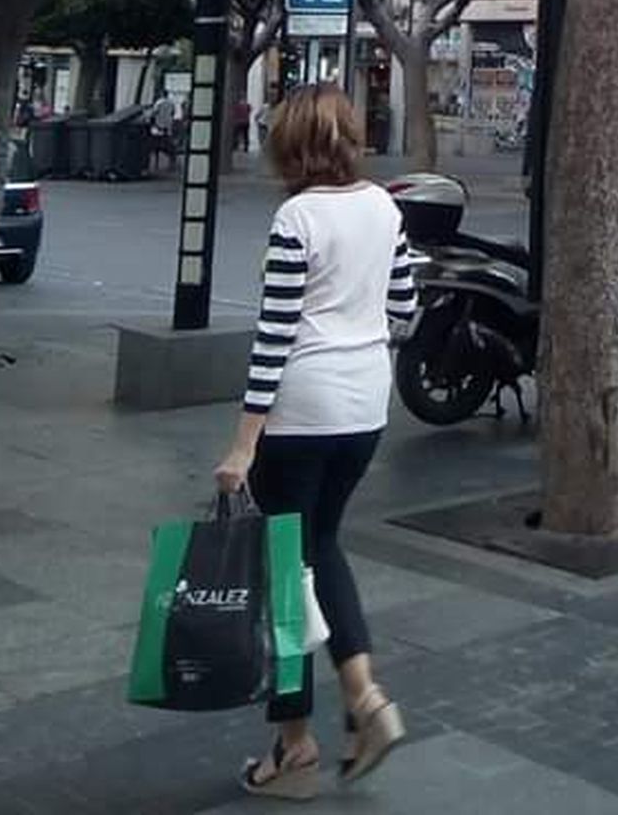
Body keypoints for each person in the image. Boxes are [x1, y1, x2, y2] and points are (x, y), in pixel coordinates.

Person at [214, 85, 417, 797]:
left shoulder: (296, 216)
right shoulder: (385, 207)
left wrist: (243, 445)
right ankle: (363, 697)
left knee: (283, 573)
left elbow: (274, 337)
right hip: (366, 406)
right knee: (321, 546)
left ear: (289, 145)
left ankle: (297, 741)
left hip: (301, 411)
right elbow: (405, 308)